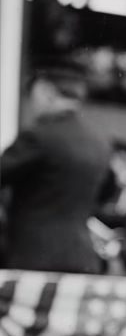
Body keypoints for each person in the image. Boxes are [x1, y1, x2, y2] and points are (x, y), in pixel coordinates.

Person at [0, 57, 112, 274]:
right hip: (83, 259)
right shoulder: (99, 143)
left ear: (45, 91)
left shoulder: (39, 135)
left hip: (33, 258)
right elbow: (107, 193)